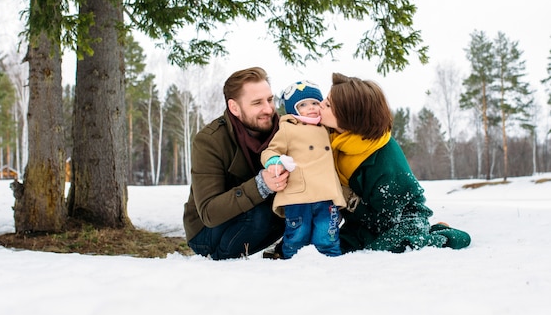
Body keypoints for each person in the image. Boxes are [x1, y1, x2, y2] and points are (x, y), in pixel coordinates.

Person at [319, 72, 471, 254]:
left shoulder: (383, 157)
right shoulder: (333, 138)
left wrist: (351, 200)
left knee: (387, 250)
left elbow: (387, 218)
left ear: (347, 116)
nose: (320, 105)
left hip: (402, 220)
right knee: (332, 249)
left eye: (327, 104)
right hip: (362, 222)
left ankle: (444, 235)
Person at [183, 67, 286, 259]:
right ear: (234, 108)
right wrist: (261, 185)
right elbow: (209, 212)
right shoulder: (210, 140)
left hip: (259, 216)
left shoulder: (285, 130)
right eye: (257, 103)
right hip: (207, 231)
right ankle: (222, 260)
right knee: (261, 215)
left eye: (270, 100)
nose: (268, 109)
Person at [261, 81, 346, 258]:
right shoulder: (288, 129)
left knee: (327, 233)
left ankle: (333, 259)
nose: (312, 108)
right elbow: (270, 150)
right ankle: (291, 258)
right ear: (294, 109)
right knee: (298, 233)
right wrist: (275, 161)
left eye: (315, 103)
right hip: (298, 194)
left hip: (325, 193)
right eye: (304, 105)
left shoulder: (326, 128)